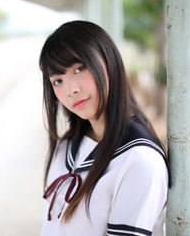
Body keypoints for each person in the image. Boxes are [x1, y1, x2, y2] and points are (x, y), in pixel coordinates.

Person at [39, 20, 170, 236]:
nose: (71, 89)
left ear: (109, 61)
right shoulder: (67, 145)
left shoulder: (138, 160)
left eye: (79, 68)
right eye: (58, 80)